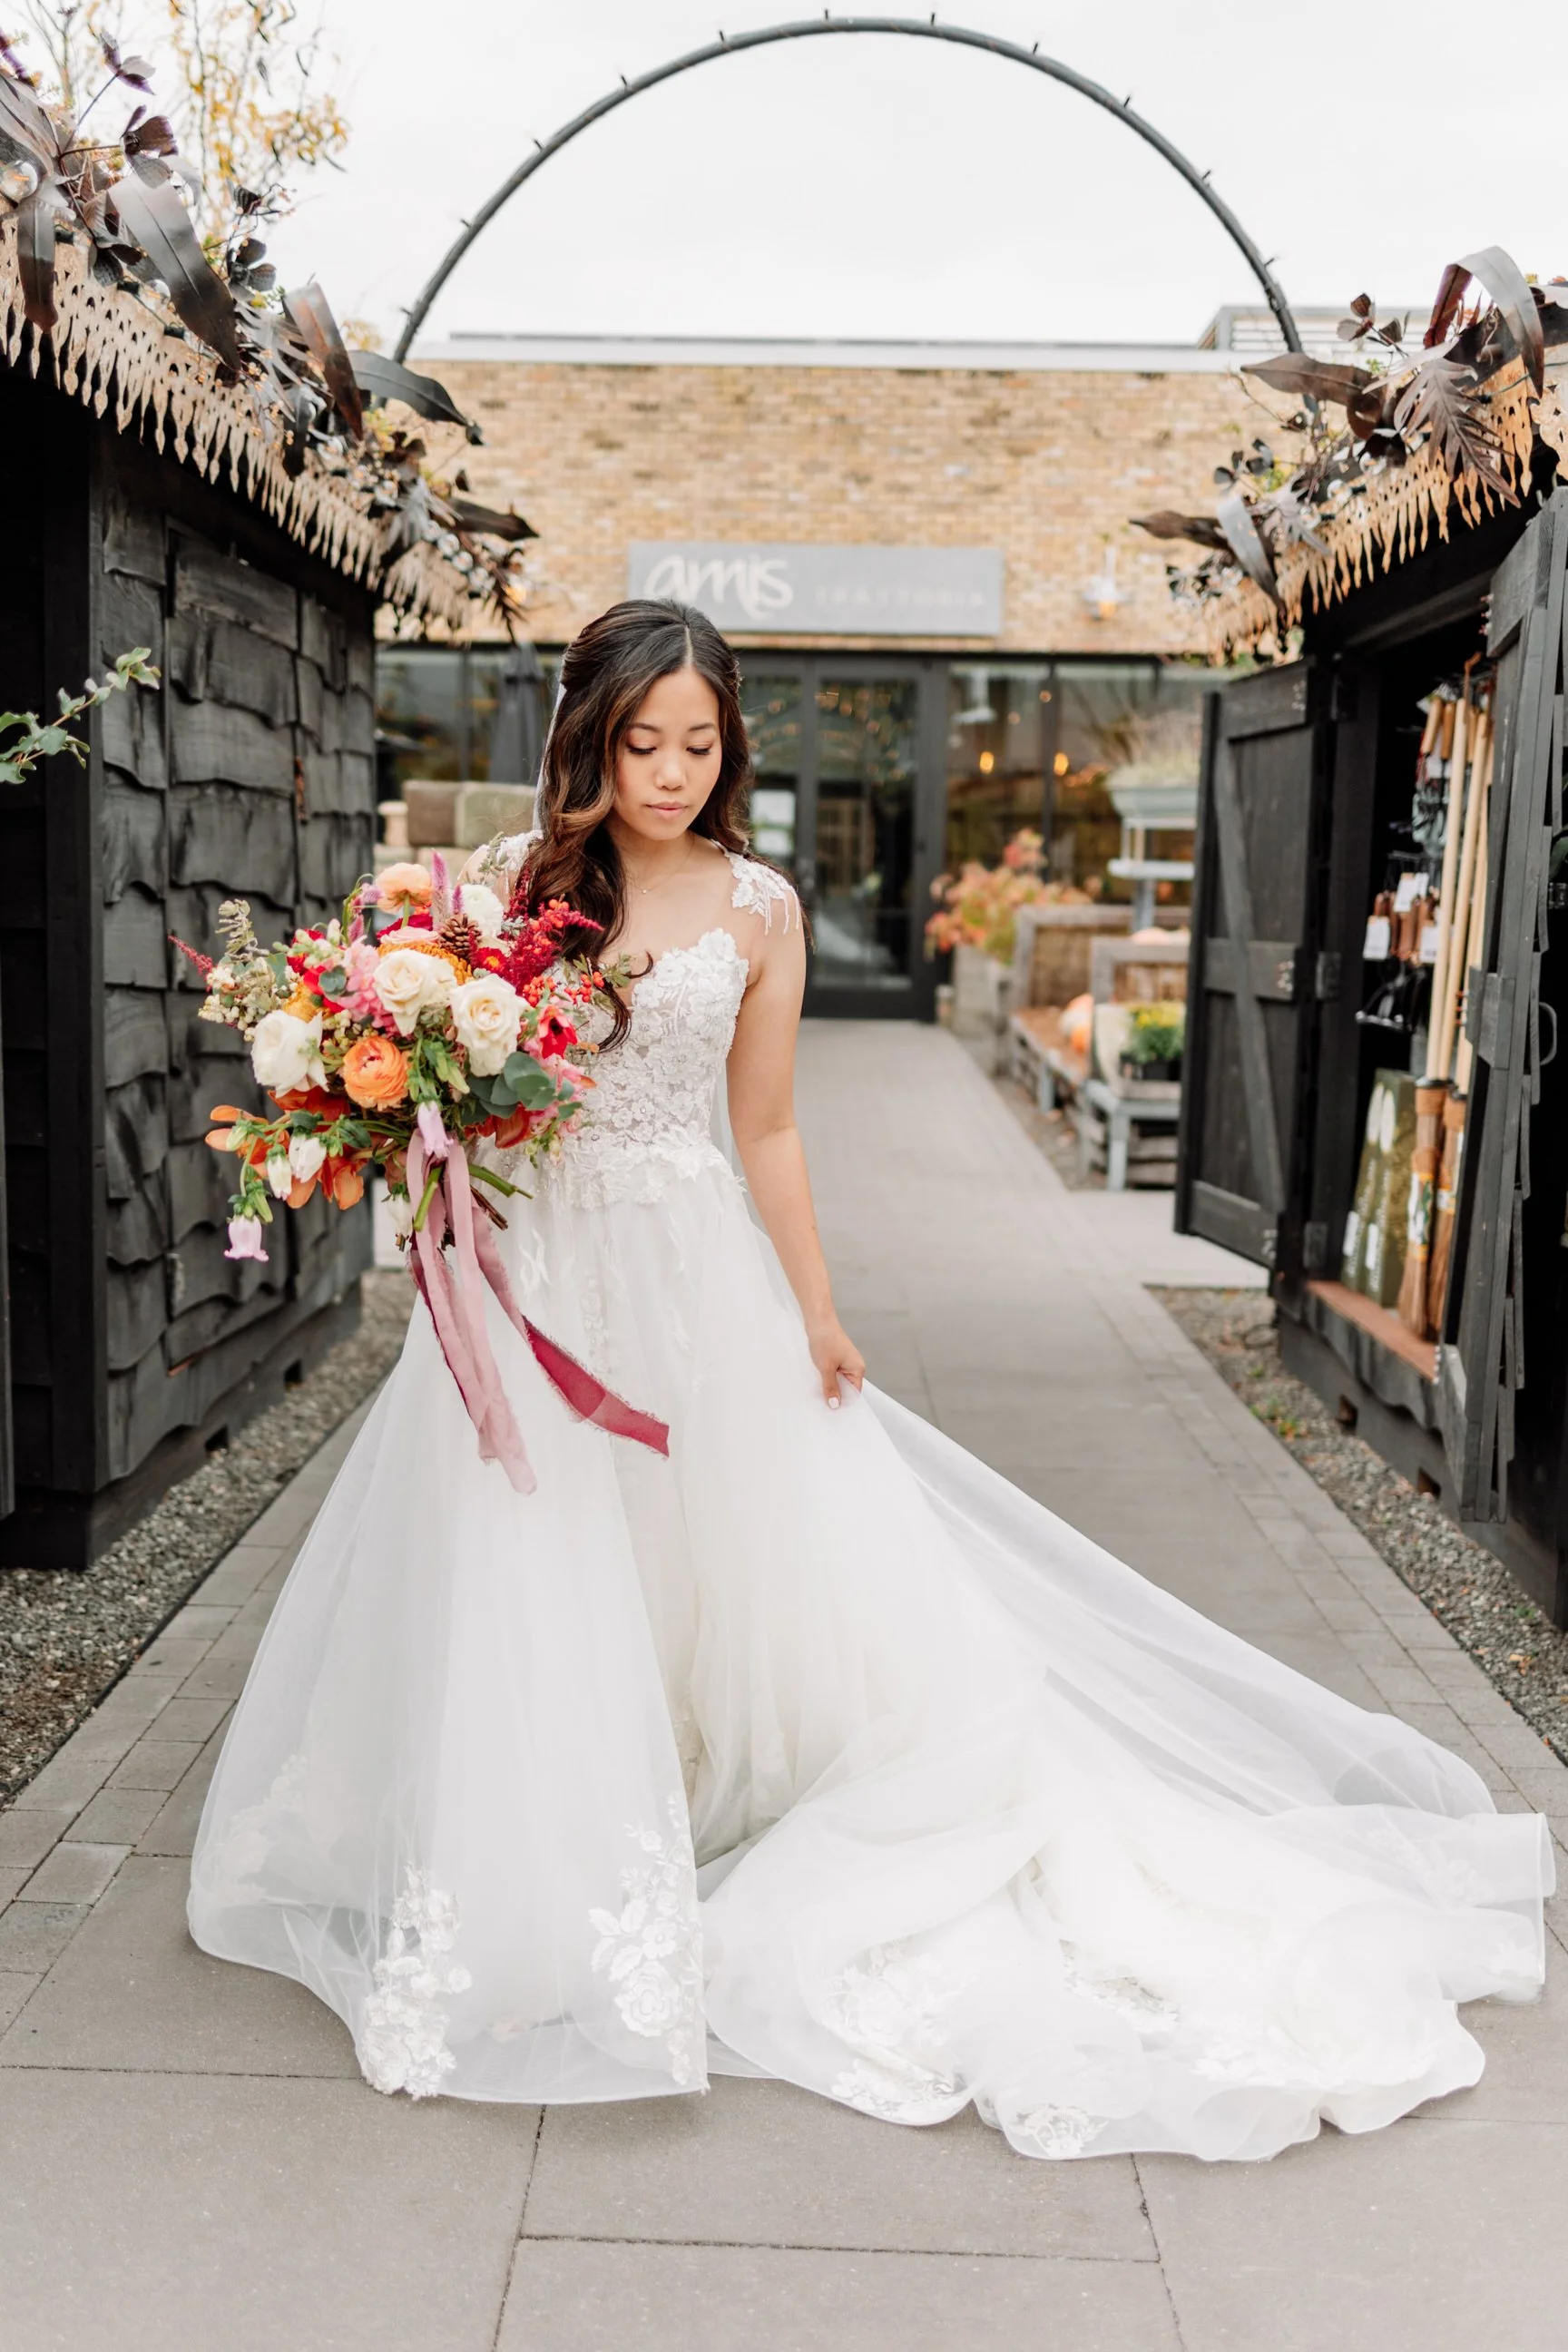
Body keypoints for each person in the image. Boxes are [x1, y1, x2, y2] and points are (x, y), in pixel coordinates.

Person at [189, 600, 1551, 2161]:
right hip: (532, 1270)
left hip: (687, 1272)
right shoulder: (502, 885)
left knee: (719, 1548)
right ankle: (532, 1834)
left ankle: (693, 1788)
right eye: (643, 743)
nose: (673, 773)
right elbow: (451, 1069)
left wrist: (818, 1313)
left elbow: (763, 1129)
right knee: (531, 1555)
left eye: (700, 744)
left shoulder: (759, 907)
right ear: (587, 736)